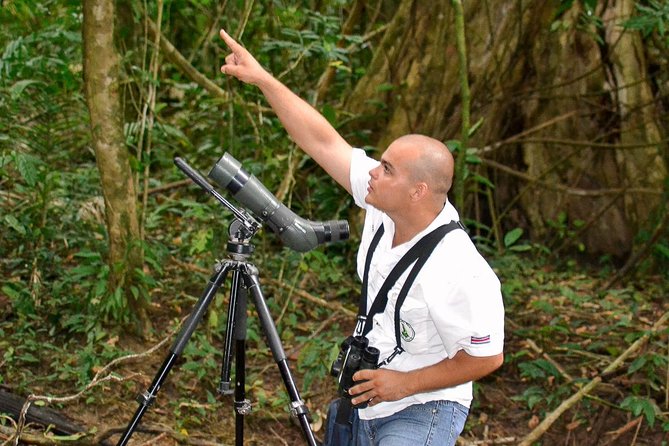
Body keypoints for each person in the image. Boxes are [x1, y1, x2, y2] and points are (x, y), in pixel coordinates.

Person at [218, 29, 505, 446]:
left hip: (426, 404)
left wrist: (405, 384)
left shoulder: (459, 268)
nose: (372, 171)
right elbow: (321, 139)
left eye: (386, 168)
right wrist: (263, 79)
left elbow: (487, 356)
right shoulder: (382, 203)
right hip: (366, 396)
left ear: (417, 191)